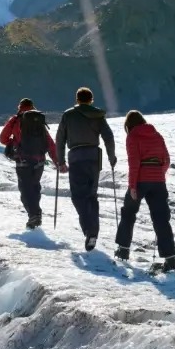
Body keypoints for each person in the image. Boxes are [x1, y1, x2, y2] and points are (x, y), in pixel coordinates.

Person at [114, 110, 175, 272]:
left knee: (128, 212)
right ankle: (170, 259)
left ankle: (123, 250)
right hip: (158, 180)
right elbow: (166, 159)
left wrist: (133, 186)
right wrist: (159, 173)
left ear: (128, 125)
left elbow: (134, 163)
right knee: (161, 219)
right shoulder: (157, 135)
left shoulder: (133, 137)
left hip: (141, 179)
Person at [56, 87, 116, 251]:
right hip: (94, 158)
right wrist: (111, 157)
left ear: (77, 99)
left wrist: (60, 161)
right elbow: (108, 137)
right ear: (91, 100)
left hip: (76, 157)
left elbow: (60, 139)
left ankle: (89, 231)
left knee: (78, 197)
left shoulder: (68, 115)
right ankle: (93, 232)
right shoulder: (98, 115)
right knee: (91, 196)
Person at [0, 98, 59, 230]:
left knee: (25, 190)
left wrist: (13, 143)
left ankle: (34, 215)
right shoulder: (39, 121)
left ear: (20, 107)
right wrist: (57, 161)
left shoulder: (15, 120)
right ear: (33, 107)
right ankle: (35, 213)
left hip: (23, 160)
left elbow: (2, 138)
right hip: (39, 161)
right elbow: (50, 143)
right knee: (34, 187)